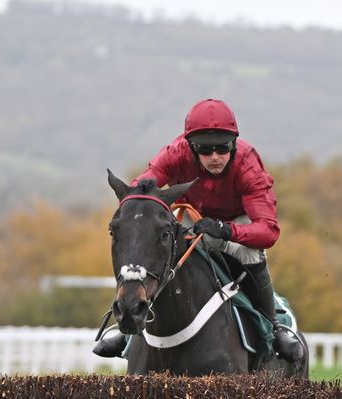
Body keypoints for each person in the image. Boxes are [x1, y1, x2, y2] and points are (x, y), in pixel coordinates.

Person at [94, 98, 304, 365]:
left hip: (235, 223)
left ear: (234, 144)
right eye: (205, 150)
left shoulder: (248, 165)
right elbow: (142, 189)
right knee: (159, 246)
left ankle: (273, 328)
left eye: (223, 148)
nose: (215, 157)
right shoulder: (174, 153)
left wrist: (224, 230)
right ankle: (129, 331)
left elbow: (268, 232)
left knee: (250, 253)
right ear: (190, 147)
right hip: (192, 216)